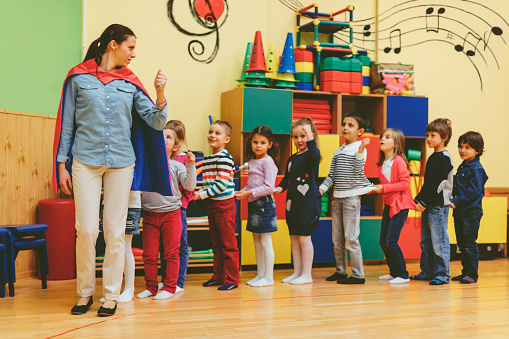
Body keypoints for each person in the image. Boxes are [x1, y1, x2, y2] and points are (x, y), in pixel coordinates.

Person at [53, 24, 170, 316]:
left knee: (115, 230)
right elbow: (67, 123)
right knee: (87, 230)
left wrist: (160, 93)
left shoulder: (130, 82)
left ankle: (111, 295)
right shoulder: (78, 77)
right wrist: (61, 164)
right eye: (130, 47)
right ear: (112, 45)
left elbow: (156, 123)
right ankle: (84, 293)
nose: (133, 54)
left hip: (121, 162)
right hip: (84, 161)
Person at [138, 123, 196, 300]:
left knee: (171, 252)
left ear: (175, 147)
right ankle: (151, 286)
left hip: (171, 214)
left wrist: (191, 165)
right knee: (149, 254)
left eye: (168, 137)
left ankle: (170, 287)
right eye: (160, 136)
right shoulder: (147, 162)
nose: (163, 139)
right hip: (149, 214)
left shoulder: (176, 166)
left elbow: (189, 186)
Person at [319, 112, 374, 285]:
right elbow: (331, 175)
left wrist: (361, 149)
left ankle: (358, 275)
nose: (345, 128)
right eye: (344, 124)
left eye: (351, 125)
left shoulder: (360, 149)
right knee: (337, 239)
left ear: (360, 131)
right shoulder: (338, 150)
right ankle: (341, 271)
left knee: (351, 238)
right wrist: (321, 189)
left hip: (351, 200)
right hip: (337, 199)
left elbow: (358, 171)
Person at [194, 120, 239, 291]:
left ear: (227, 139)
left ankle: (232, 279)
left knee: (228, 244)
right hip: (212, 204)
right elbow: (207, 182)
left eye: (217, 133)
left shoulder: (225, 158)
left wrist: (200, 195)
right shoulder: (209, 158)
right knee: (217, 244)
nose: (212, 135)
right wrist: (201, 193)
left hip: (224, 206)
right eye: (211, 132)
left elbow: (220, 185)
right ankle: (218, 275)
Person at [275, 118, 321, 285]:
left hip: (307, 205)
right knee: (294, 237)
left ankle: (307, 274)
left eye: (303, 136)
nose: (299, 140)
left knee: (304, 238)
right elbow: (286, 180)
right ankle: (297, 272)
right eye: (295, 137)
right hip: (293, 204)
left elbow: (315, 154)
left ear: (311, 136)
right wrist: (278, 189)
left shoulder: (312, 155)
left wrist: (310, 138)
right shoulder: (292, 159)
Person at [235, 126, 279, 287]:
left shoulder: (268, 162)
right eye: (255, 142)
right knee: (257, 241)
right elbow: (251, 184)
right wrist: (242, 192)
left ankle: (268, 277)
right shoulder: (253, 162)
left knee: (266, 242)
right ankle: (261, 275)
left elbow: (269, 187)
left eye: (262, 142)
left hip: (265, 205)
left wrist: (247, 193)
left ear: (270, 144)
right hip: (254, 204)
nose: (258, 146)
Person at [411, 118, 454, 285]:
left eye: (433, 135)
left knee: (439, 241)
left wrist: (423, 203)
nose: (428, 139)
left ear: (444, 137)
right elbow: (427, 184)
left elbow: (438, 184)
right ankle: (427, 272)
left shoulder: (444, 158)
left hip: (438, 207)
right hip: (429, 205)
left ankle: (442, 275)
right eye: (427, 135)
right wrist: (418, 199)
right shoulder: (433, 157)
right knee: (426, 241)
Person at [373, 128, 416, 284]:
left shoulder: (398, 161)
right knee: (383, 241)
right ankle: (394, 272)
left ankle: (403, 275)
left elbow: (404, 184)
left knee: (391, 240)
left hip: (400, 205)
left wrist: (383, 188)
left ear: (396, 144)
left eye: (387, 137)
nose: (382, 139)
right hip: (389, 205)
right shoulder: (381, 164)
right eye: (382, 137)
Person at [158, 120, 194, 293]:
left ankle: (178, 281)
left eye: (170, 137)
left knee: (180, 245)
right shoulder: (162, 157)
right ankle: (167, 279)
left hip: (178, 208)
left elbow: (189, 187)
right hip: (164, 208)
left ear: (178, 142)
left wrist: (182, 204)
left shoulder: (183, 160)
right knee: (166, 247)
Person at [450, 131, 488, 284]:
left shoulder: (476, 168)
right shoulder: (463, 166)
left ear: (477, 150)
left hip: (471, 213)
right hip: (460, 212)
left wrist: (457, 201)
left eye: (467, 147)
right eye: (460, 146)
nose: (462, 150)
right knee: (462, 244)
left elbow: (474, 191)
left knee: (469, 244)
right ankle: (465, 272)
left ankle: (472, 274)